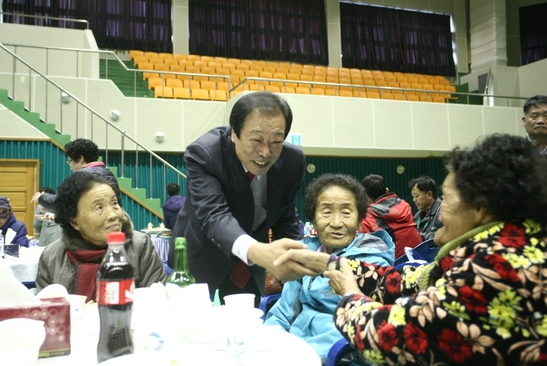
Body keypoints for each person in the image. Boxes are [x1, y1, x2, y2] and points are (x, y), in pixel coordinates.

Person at [274, 133, 547, 365]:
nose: (439, 214)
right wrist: (327, 264)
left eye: (447, 200)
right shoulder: (511, 246)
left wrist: (350, 296)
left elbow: (392, 336)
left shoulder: (495, 268)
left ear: (479, 208)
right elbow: (403, 281)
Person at [170, 91, 311, 305]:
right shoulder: (205, 154)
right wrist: (256, 251)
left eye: (276, 141)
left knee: (243, 325)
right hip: (202, 254)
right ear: (234, 133)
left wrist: (297, 258)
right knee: (189, 325)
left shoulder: (293, 161)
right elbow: (213, 215)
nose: (265, 152)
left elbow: (285, 217)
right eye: (256, 140)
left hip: (247, 265)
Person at [264, 174, 394, 360]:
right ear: (314, 220)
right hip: (293, 348)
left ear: (359, 221)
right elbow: (282, 313)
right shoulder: (306, 253)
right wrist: (268, 344)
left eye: (346, 212)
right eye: (326, 212)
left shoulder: (373, 266)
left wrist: (298, 356)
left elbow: (364, 330)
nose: (336, 223)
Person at [35, 173, 167, 301]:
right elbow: (45, 313)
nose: (113, 215)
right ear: (75, 222)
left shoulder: (140, 246)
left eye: (114, 203)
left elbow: (158, 305)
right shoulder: (52, 256)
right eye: (99, 207)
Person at [33, 138, 120, 213]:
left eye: (70, 161)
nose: (70, 165)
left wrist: (41, 197)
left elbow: (60, 204)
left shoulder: (81, 176)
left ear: (80, 159)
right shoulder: (108, 174)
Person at [359, 174, 421, 259]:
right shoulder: (404, 205)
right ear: (387, 190)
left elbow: (362, 249)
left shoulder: (367, 217)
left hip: (395, 266)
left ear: (365, 196)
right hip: (420, 257)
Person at [408, 175, 443, 241]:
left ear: (429, 195)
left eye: (416, 196)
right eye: (413, 196)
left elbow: (444, 235)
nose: (414, 200)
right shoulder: (417, 216)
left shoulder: (443, 212)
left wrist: (418, 236)